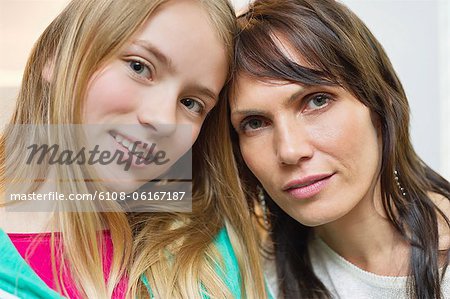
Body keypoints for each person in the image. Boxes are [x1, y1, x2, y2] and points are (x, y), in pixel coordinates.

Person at [0, 0, 268, 298]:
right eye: (139, 67)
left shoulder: (211, 258)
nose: (163, 121)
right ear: (56, 55)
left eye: (191, 103)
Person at [226, 0, 450, 298]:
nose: (290, 150)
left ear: (379, 106)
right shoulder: (251, 278)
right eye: (255, 123)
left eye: (317, 101)